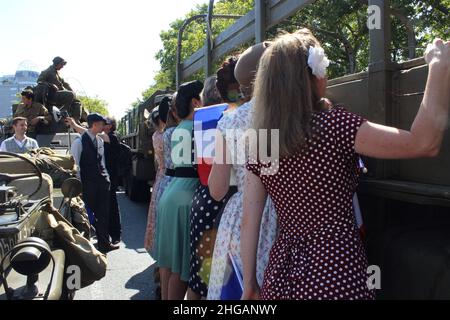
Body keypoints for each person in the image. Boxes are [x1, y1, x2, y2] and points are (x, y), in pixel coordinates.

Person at [241, 31, 450, 300]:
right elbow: (424, 143)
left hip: (283, 273)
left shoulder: (261, 144)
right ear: (313, 74)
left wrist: (249, 283)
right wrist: (438, 66)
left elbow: (249, 220)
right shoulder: (337, 125)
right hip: (337, 267)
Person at [207, 45, 278, 300]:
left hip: (239, 219)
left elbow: (217, 190)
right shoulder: (289, 112)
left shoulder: (229, 121)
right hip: (286, 213)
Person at [187, 72, 238, 300]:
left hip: (202, 196)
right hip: (222, 202)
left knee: (199, 281)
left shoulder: (201, 118)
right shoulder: (226, 116)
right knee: (218, 283)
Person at [156, 81, 203, 300]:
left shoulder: (178, 128)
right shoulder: (200, 127)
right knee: (183, 270)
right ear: (195, 102)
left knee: (168, 264)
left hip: (171, 194)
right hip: (187, 195)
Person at [71, 113, 119, 254]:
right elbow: (76, 165)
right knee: (86, 216)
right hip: (87, 185)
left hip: (102, 184)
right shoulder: (78, 142)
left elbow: (102, 162)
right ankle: (87, 247)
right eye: (101, 124)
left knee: (103, 214)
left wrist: (107, 178)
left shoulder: (99, 141)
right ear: (95, 124)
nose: (104, 126)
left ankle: (104, 244)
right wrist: (79, 185)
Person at [144, 97, 170, 252]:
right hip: (169, 177)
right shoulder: (167, 135)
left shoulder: (155, 136)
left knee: (158, 216)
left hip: (160, 177)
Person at [38, 57, 81, 122]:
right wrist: (51, 85)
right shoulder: (47, 71)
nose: (62, 66)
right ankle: (61, 112)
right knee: (70, 95)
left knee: (77, 101)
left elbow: (65, 83)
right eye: (61, 64)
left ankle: (75, 121)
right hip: (51, 95)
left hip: (59, 93)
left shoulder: (58, 73)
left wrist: (72, 91)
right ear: (56, 63)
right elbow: (39, 81)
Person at [104, 117, 122, 245]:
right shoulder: (105, 136)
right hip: (106, 175)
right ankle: (109, 233)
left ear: (110, 126)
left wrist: (75, 125)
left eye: (105, 123)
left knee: (112, 205)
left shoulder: (112, 137)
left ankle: (116, 234)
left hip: (111, 175)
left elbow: (92, 132)